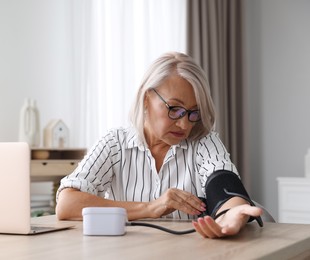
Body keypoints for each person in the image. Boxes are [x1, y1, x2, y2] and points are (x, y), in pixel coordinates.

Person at [56, 52, 263, 238]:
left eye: (193, 112)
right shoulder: (114, 143)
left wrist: (233, 213)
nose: (184, 124)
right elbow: (67, 205)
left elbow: (224, 186)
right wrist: (151, 208)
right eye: (175, 108)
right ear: (147, 99)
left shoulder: (204, 142)